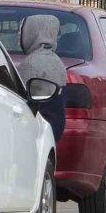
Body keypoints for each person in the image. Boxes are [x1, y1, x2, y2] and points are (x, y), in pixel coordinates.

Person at [17, 14, 67, 142]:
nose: (18, 36)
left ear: (33, 32)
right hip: (53, 127)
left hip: (36, 130)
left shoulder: (32, 63)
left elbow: (20, 99)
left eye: (21, 31)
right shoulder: (56, 60)